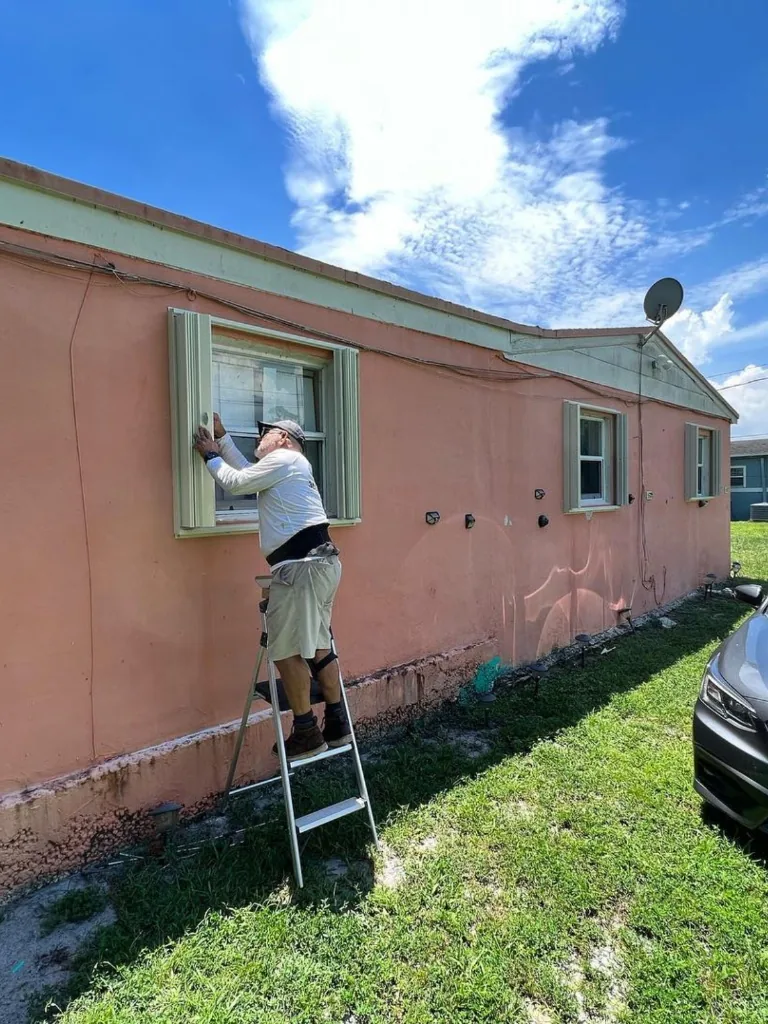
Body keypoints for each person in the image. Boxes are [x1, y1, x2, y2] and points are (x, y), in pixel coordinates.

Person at [192, 414, 351, 761]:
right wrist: (224, 438)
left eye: (265, 434)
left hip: (300, 568)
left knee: (285, 650)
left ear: (283, 438)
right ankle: (338, 722)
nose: (259, 438)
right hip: (319, 564)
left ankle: (307, 732)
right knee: (319, 645)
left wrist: (210, 454)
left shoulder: (284, 459)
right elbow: (249, 473)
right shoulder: (291, 466)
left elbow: (236, 482)